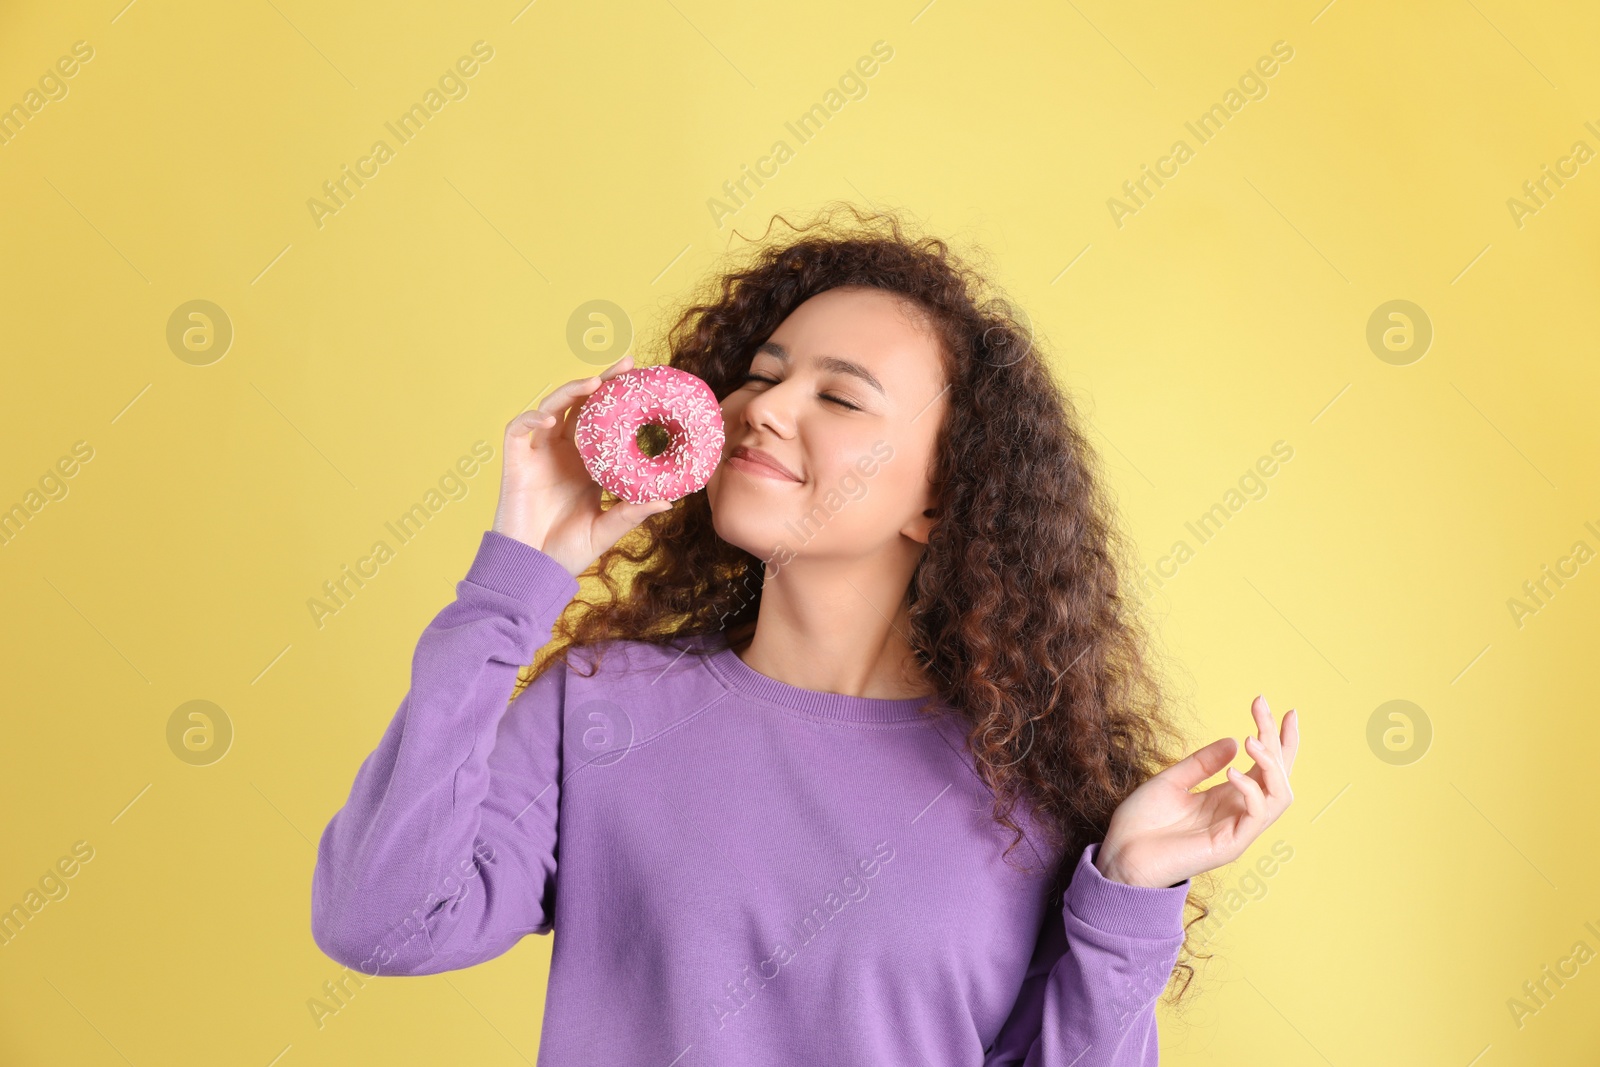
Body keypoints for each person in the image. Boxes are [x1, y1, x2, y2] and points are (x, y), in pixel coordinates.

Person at [310, 203, 1300, 1065]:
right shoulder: (600, 703)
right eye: (761, 372)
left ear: (940, 497)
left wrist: (1129, 893)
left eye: (837, 396)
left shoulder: (1026, 791)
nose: (763, 408)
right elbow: (381, 919)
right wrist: (514, 578)